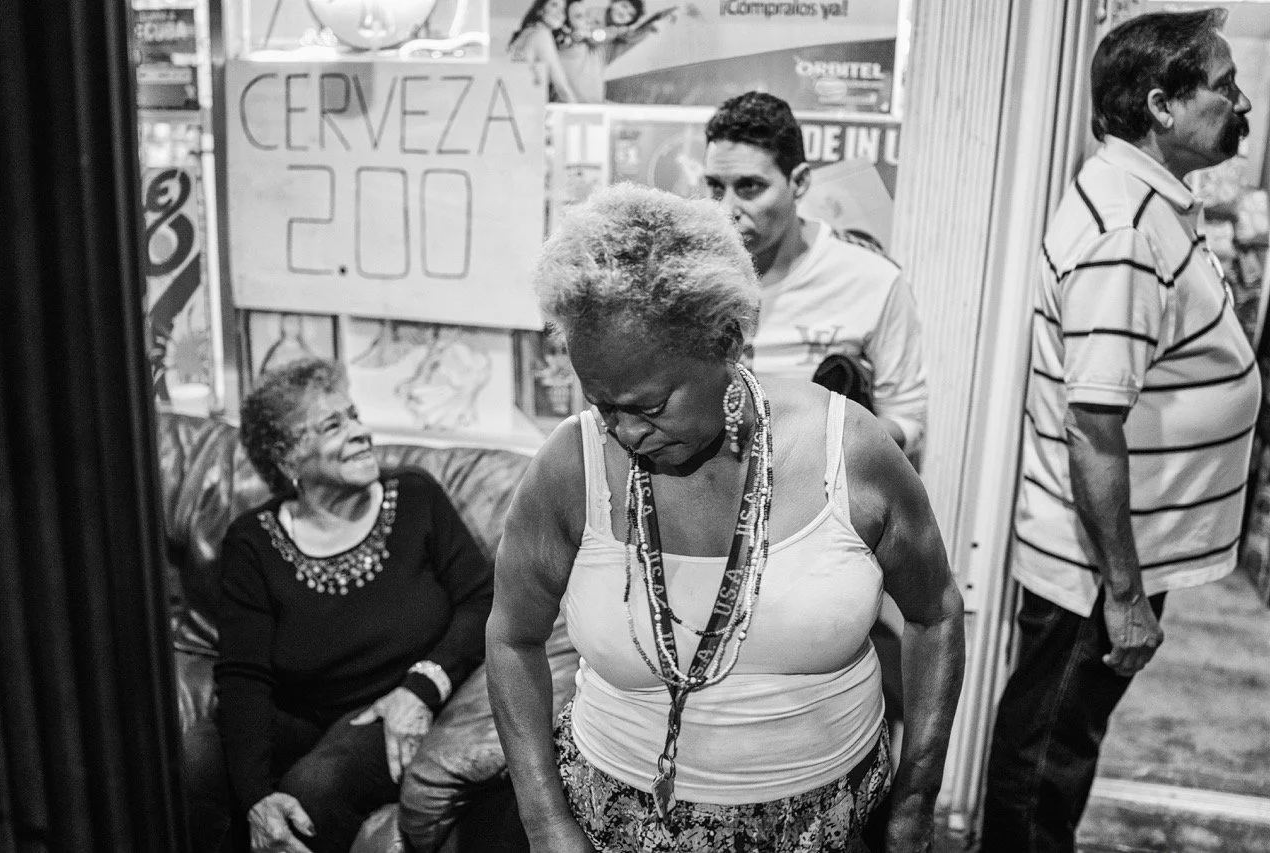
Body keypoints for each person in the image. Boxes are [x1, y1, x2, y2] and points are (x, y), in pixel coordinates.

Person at [485, 184, 964, 852]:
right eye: (603, 403)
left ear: (725, 343)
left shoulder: (848, 449)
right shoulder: (569, 467)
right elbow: (511, 639)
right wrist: (545, 822)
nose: (624, 431)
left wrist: (914, 800)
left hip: (828, 823)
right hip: (620, 822)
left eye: (650, 406)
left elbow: (936, 611)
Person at [981, 10, 1257, 852]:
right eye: (1223, 85)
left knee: (1056, 743)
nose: (1241, 101)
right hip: (1096, 569)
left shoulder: (1144, 198)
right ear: (1161, 105)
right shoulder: (1127, 231)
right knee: (1046, 759)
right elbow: (1094, 425)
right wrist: (1126, 595)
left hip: (1114, 550)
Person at [183, 358, 493, 853]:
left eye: (353, 415)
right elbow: (243, 677)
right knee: (193, 762)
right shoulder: (253, 542)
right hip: (297, 712)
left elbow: (481, 601)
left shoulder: (415, 497)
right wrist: (255, 799)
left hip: (386, 705)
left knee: (313, 789)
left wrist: (421, 688)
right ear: (287, 460)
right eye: (334, 425)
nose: (361, 432)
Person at [702, 91, 927, 458]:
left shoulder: (872, 279)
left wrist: (824, 439)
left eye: (749, 187)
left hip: (825, 502)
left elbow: (906, 416)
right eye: (715, 187)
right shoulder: (689, 277)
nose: (727, 209)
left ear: (800, 182)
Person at [508, 0, 581, 103]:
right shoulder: (541, 35)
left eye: (564, 9)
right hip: (526, 109)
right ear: (540, 9)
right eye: (554, 5)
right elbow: (561, 86)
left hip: (515, 106)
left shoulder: (527, 32)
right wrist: (578, 112)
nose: (560, 12)